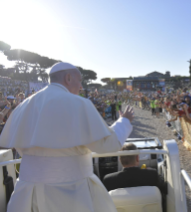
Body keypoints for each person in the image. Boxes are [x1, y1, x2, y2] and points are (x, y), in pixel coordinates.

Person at [0, 62, 134, 212]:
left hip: (27, 194)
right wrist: (124, 121)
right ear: (68, 78)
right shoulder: (79, 103)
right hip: (72, 192)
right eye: (80, 80)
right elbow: (108, 144)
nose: (81, 86)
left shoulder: (23, 105)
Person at [103, 143, 167, 209]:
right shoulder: (153, 175)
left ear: (120, 159)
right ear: (137, 158)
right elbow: (165, 189)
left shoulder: (108, 180)